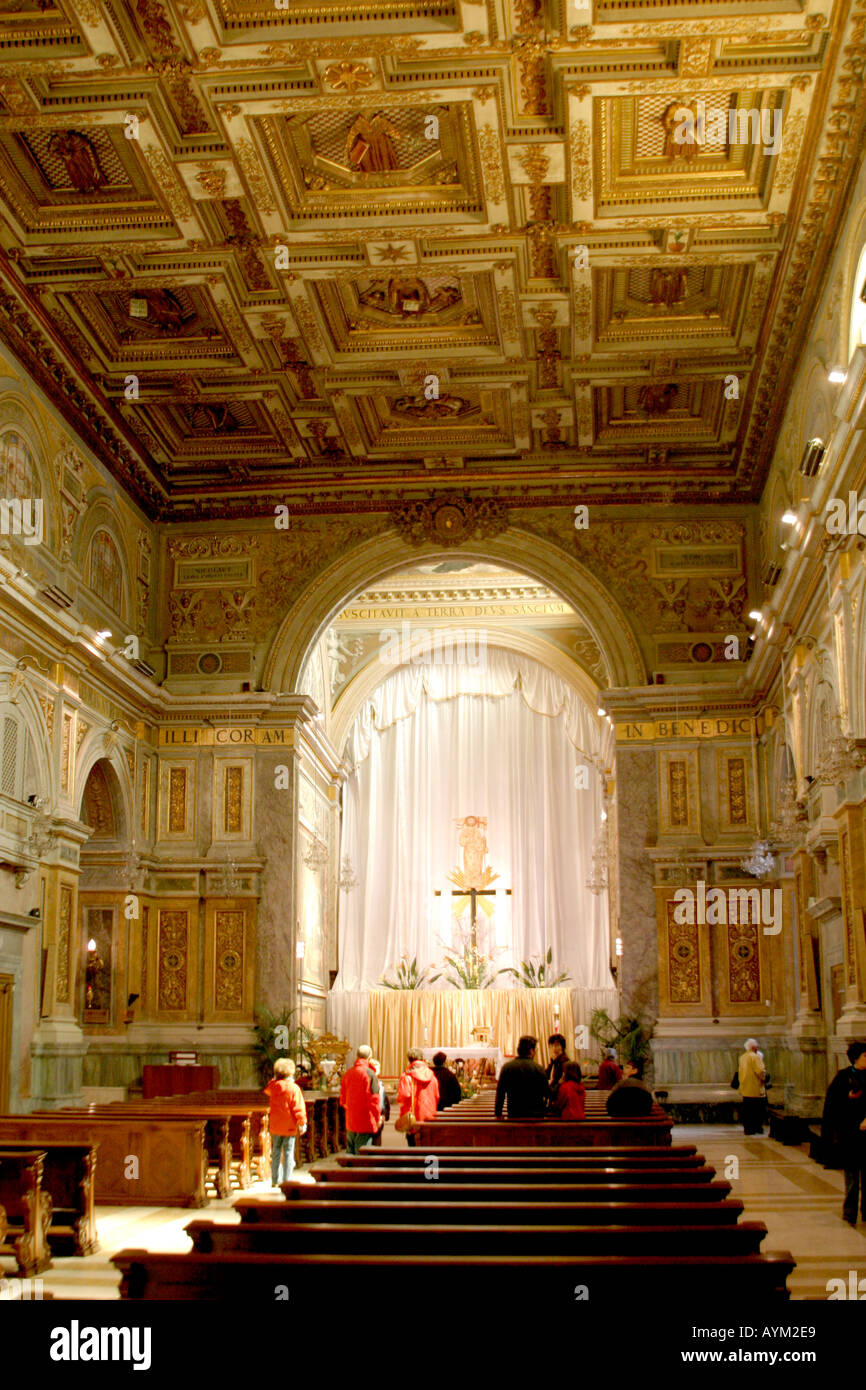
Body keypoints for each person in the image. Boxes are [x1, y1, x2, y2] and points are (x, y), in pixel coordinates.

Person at [822, 1040, 866, 1225]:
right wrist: (847, 1099)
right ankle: (849, 1212)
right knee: (851, 1178)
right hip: (850, 1135)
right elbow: (832, 1105)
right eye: (865, 1056)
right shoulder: (843, 1077)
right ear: (856, 1058)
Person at [263, 1058, 308, 1187]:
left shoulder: (273, 1087)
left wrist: (275, 1078)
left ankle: (275, 1180)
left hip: (275, 1125)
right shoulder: (293, 1088)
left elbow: (267, 1089)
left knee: (276, 1152)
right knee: (288, 1153)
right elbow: (298, 1107)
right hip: (289, 1126)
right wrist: (302, 1122)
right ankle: (287, 1180)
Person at [339, 1044, 381, 1154]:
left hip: (351, 1120)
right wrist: (377, 1118)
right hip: (365, 1120)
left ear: (357, 1056)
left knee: (350, 1154)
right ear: (370, 1057)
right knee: (362, 1157)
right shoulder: (370, 1074)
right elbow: (374, 1100)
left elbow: (342, 1099)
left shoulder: (348, 1073)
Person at [495, 1035, 550, 1119]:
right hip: (536, 1117)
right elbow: (546, 1092)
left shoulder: (507, 1068)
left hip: (515, 1116)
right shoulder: (539, 1069)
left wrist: (498, 1114)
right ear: (531, 1051)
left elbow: (500, 1094)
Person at [397, 1048, 440, 1147]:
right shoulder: (432, 1077)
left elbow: (402, 1098)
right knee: (428, 1150)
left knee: (413, 1152)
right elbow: (437, 1096)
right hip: (430, 1118)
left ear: (409, 1060)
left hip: (413, 1121)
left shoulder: (407, 1076)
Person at [738, 1038, 766, 1136]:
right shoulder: (755, 1057)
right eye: (757, 1045)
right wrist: (765, 1078)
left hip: (745, 1088)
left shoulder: (742, 1057)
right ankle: (756, 1128)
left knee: (747, 1110)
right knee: (757, 1110)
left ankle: (748, 1128)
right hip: (755, 1088)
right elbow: (760, 1071)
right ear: (754, 1047)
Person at [368, 1058, 390, 1146]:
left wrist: (384, 1115)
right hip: (373, 1116)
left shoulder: (379, 1084)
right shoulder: (372, 1082)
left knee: (376, 1142)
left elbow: (384, 1101)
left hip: (379, 1116)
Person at [545, 1034, 569, 1099]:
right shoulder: (555, 1060)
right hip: (554, 1093)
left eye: (556, 1045)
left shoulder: (564, 1061)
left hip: (560, 1096)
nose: (554, 1048)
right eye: (552, 1045)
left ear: (562, 1047)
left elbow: (562, 1081)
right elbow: (546, 1075)